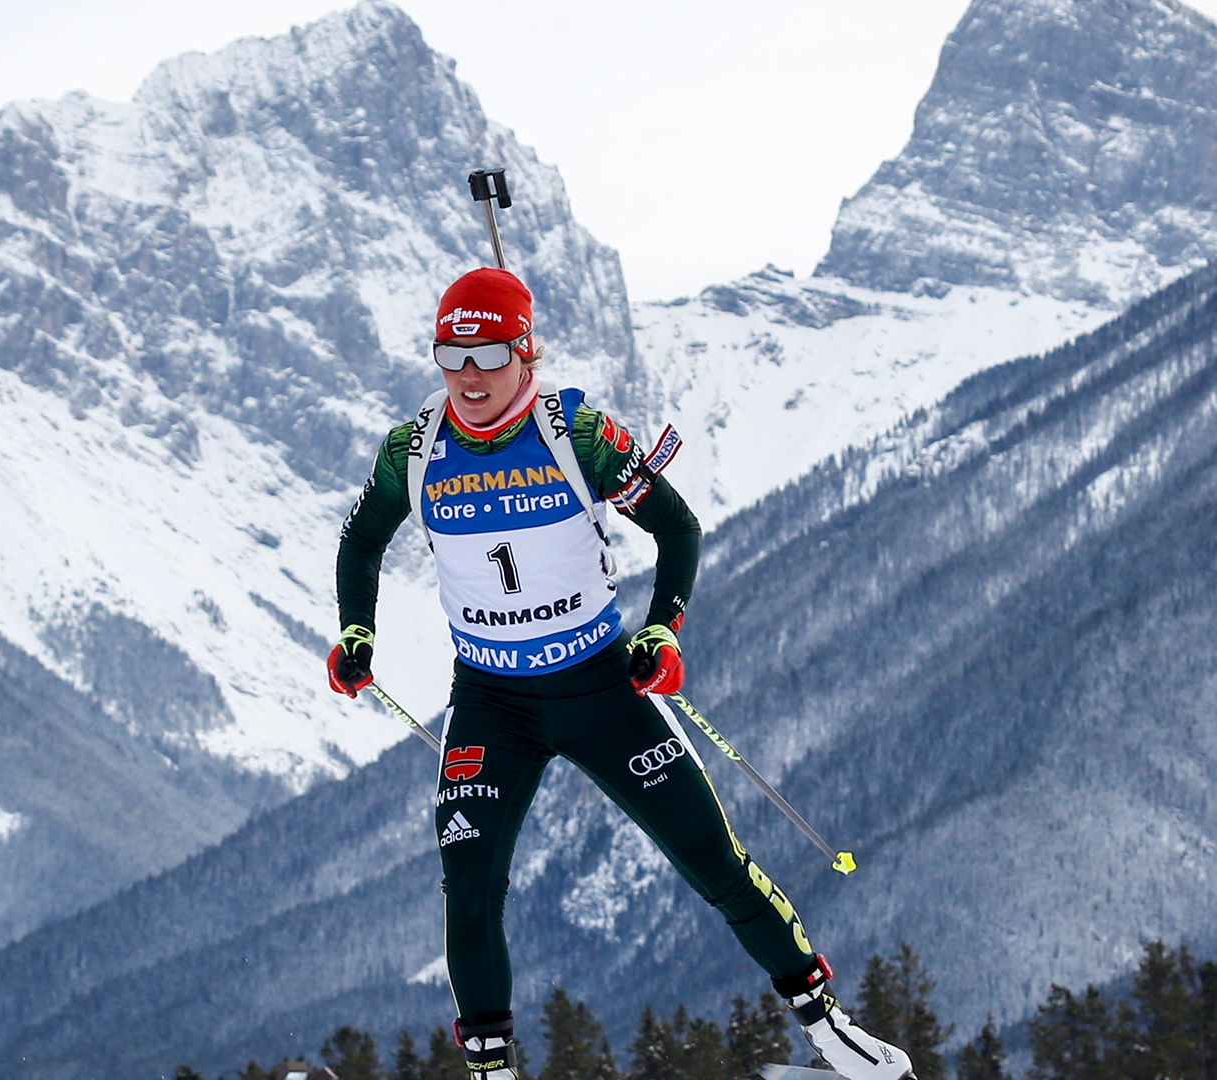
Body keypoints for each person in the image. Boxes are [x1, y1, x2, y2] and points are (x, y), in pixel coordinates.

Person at [330, 267, 912, 1080]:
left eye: (489, 353)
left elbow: (678, 528)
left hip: (600, 687)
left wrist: (661, 633)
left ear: (525, 354)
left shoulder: (577, 432)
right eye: (450, 353)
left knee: (713, 860)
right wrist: (356, 632)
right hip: (491, 701)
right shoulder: (414, 447)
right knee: (468, 883)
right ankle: (492, 1070)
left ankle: (824, 1022)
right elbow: (360, 544)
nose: (468, 375)